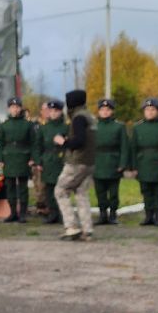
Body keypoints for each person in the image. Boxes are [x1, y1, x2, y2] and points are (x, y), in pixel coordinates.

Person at [51, 90, 96, 241]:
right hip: (89, 162)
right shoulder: (90, 117)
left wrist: (63, 142)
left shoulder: (78, 118)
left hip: (77, 162)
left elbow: (79, 141)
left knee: (60, 190)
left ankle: (71, 226)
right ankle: (87, 229)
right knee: (81, 193)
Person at [127, 98, 158, 227]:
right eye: (147, 109)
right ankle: (148, 216)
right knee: (146, 191)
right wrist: (133, 167)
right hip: (143, 163)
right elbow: (133, 149)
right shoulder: (138, 128)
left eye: (153, 109)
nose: (149, 112)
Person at [90, 99, 133, 226]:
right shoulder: (93, 127)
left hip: (113, 162)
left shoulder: (119, 127)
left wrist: (122, 164)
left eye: (107, 110)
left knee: (113, 192)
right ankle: (103, 214)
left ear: (112, 111)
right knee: (100, 191)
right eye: (102, 110)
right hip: (97, 162)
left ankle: (113, 214)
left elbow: (124, 147)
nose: (105, 112)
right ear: (98, 111)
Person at [0, 99, 37, 223]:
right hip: (8, 158)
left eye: (17, 107)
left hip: (23, 157)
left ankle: (22, 214)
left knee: (23, 187)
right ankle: (13, 213)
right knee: (10, 187)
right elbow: (0, 144)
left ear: (21, 108)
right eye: (13, 107)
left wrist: (32, 158)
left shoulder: (28, 125)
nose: (15, 109)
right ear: (9, 109)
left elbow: (33, 143)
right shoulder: (4, 125)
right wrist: (0, 159)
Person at [35, 99, 68, 224]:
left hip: (61, 160)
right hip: (47, 160)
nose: (53, 113)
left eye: (56, 111)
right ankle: (52, 213)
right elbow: (38, 146)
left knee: (62, 188)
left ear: (60, 112)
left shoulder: (66, 127)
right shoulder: (44, 128)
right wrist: (38, 162)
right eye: (51, 111)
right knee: (49, 189)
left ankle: (62, 213)